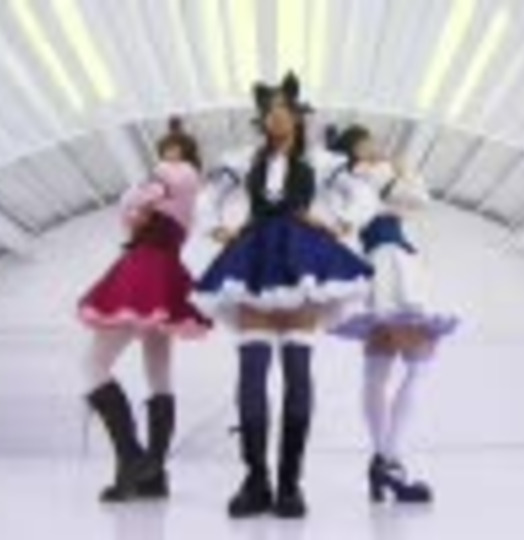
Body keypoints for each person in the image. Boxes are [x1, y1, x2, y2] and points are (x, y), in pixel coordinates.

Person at [193, 72, 373, 519]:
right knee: (252, 371)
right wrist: (217, 229)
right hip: (254, 258)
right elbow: (207, 197)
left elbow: (362, 194)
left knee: (297, 370)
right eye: (268, 110)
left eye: (282, 109)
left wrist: (342, 224)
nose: (275, 116)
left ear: (296, 115)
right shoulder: (242, 159)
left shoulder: (321, 160)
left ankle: (290, 484)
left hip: (301, 260)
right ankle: (256, 480)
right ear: (262, 119)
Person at [78, 117, 211, 502]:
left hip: (144, 270)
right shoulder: (181, 196)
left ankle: (131, 459)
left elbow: (131, 208)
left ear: (185, 155)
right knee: (159, 373)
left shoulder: (170, 179)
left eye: (176, 149)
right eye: (166, 149)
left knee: (94, 365)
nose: (169, 155)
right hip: (165, 273)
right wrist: (141, 202)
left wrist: (140, 194)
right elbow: (136, 214)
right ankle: (153, 471)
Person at [324, 123, 458, 504]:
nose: (376, 145)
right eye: (368, 141)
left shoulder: (347, 180)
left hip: (373, 266)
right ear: (356, 149)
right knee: (418, 365)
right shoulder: (377, 171)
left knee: (377, 370)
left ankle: (381, 459)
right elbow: (420, 199)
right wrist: (403, 170)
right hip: (394, 266)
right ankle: (390, 458)